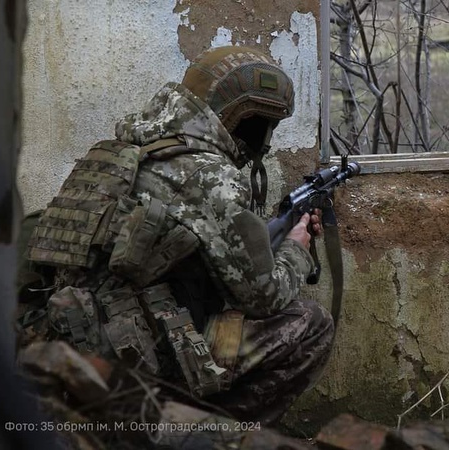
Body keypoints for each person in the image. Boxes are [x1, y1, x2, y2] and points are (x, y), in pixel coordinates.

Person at [24, 46, 334, 425]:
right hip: (144, 359)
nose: (265, 140)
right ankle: (205, 435)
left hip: (72, 344)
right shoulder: (209, 176)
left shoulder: (121, 152)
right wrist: (297, 249)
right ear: (241, 118)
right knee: (311, 323)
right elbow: (263, 298)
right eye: (264, 125)